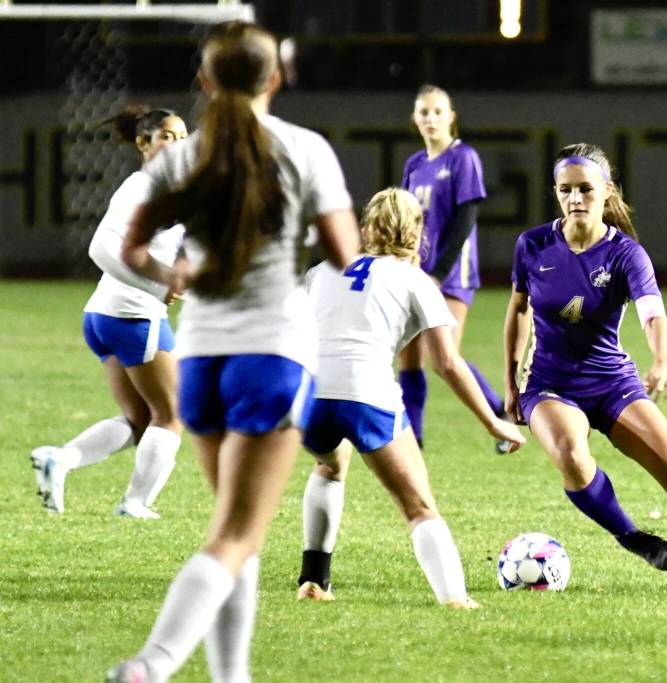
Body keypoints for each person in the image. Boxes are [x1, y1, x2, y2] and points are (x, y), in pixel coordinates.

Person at [106, 21, 361, 683]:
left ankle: (231, 675)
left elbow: (132, 247)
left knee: (232, 530)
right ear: (275, 78)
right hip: (271, 355)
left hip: (199, 359)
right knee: (236, 536)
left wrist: (175, 278)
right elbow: (345, 256)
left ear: (205, 82)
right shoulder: (303, 150)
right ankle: (153, 663)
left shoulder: (180, 159)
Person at [502, 143, 667, 592]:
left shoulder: (626, 254)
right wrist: (511, 381)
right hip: (551, 385)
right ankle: (631, 536)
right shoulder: (533, 244)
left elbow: (652, 313)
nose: (575, 198)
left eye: (585, 189)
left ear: (607, 190)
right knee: (573, 457)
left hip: (612, 383)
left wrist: (663, 360)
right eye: (565, 190)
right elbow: (518, 309)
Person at [295, 188, 526, 606]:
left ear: (366, 230)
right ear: (417, 233)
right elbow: (447, 363)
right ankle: (455, 598)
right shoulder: (416, 280)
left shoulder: (322, 271)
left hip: (309, 397)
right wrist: (493, 422)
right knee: (419, 506)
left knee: (330, 466)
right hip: (366, 395)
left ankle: (314, 578)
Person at [30, 105, 189, 519]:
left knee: (139, 418)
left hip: (104, 314)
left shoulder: (161, 190)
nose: (178, 145)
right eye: (168, 136)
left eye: (184, 138)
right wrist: (156, 286)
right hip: (133, 315)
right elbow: (100, 248)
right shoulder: (143, 186)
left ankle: (59, 460)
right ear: (144, 143)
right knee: (172, 414)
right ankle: (135, 503)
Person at [398, 84, 511, 452]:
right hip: (415, 271)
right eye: (424, 112)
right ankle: (412, 439)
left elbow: (465, 219)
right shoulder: (414, 164)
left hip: (452, 274)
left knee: (444, 358)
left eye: (437, 111)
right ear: (415, 118)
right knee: (409, 355)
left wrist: (439, 270)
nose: (430, 118)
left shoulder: (463, 158)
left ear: (451, 116)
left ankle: (501, 412)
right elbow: (403, 219)